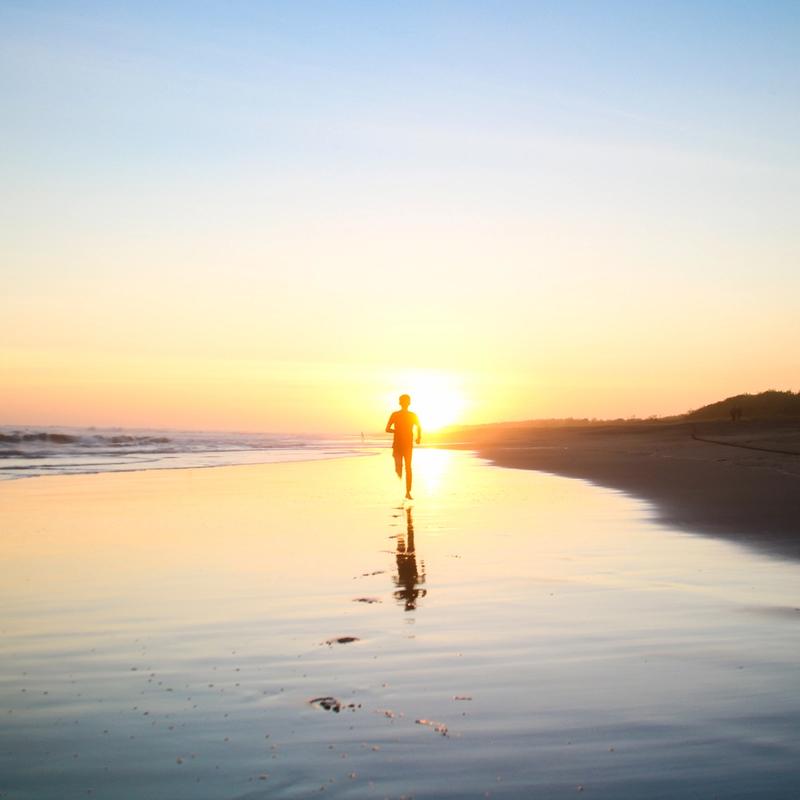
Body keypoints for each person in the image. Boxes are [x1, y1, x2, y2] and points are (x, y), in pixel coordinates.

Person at [385, 394, 421, 499]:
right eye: (404, 401)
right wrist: (398, 431)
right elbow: (387, 429)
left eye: (406, 401)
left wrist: (419, 437)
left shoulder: (411, 415)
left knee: (408, 468)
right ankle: (402, 487)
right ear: (401, 403)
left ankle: (407, 492)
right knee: (401, 467)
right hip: (400, 445)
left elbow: (419, 426)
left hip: (406, 445)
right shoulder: (396, 414)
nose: (405, 403)